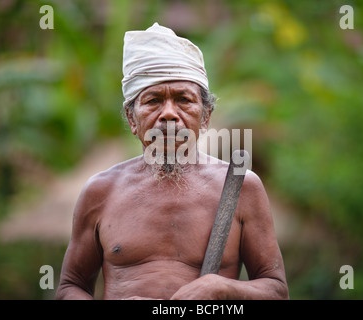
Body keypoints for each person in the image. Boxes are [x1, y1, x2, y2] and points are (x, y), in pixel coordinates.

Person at [56, 23, 288, 300]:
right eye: (153, 100)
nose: (169, 114)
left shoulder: (241, 187)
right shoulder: (101, 191)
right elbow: (70, 288)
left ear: (205, 117)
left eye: (183, 99)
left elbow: (277, 292)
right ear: (132, 119)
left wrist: (221, 289)